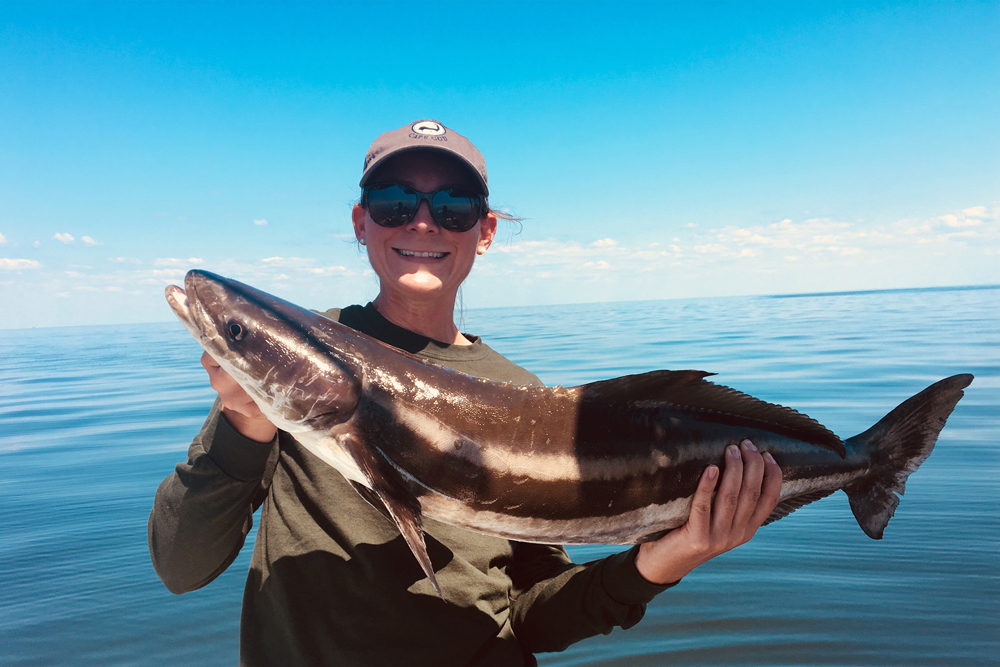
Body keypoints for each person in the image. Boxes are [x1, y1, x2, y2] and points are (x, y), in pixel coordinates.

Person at [148, 119, 783, 666]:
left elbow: (535, 615)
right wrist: (243, 420)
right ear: (360, 222)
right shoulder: (274, 379)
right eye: (395, 201)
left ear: (484, 231)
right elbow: (181, 566)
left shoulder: (527, 400)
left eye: (452, 207)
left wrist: (661, 563)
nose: (422, 222)